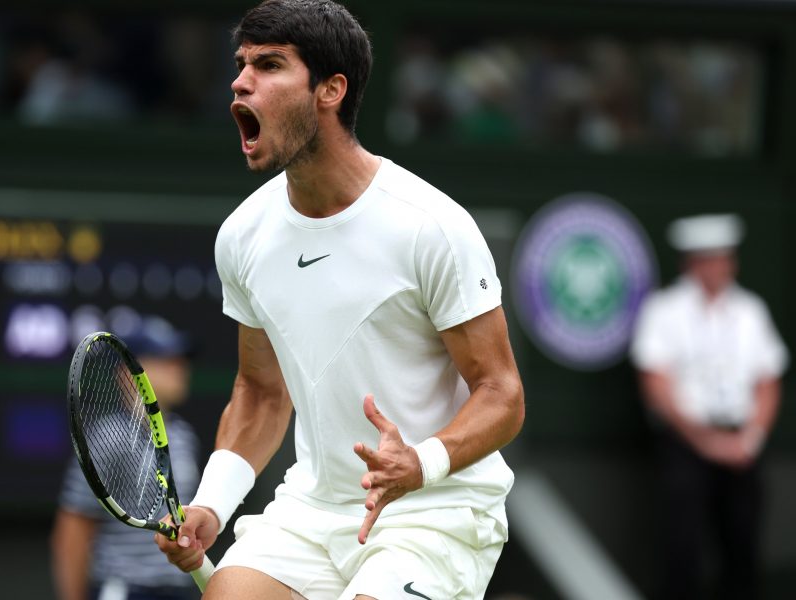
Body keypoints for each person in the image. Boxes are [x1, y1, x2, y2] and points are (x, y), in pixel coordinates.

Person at [155, 2, 526, 599]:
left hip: (436, 512)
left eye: (270, 65)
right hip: (313, 510)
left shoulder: (431, 226)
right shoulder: (243, 236)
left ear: (331, 90)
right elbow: (260, 392)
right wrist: (211, 506)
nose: (241, 81)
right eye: (241, 63)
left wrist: (420, 463)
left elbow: (502, 395)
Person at [631, 213, 787, 599]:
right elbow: (656, 385)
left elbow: (768, 381)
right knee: (681, 544)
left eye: (723, 258)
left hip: (741, 443)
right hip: (685, 444)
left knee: (742, 539)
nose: (718, 267)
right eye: (708, 259)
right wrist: (702, 440)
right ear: (691, 262)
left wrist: (750, 438)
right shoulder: (664, 310)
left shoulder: (752, 311)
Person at [52, 315, 202, 600]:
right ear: (129, 372)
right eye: (165, 358)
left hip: (181, 589)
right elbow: (72, 530)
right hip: (125, 590)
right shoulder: (107, 438)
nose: (179, 367)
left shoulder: (185, 437)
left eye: (180, 359)